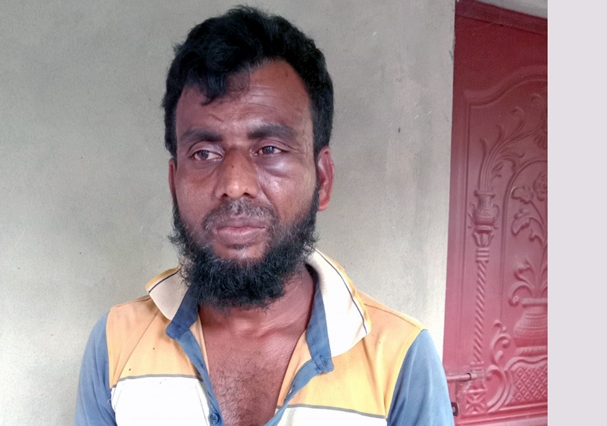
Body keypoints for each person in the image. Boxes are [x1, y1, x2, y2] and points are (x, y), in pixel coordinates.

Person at [76, 6, 454, 426]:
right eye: (204, 153)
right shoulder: (115, 343)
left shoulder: (401, 360)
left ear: (322, 178)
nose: (235, 184)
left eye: (269, 149)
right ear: (173, 183)